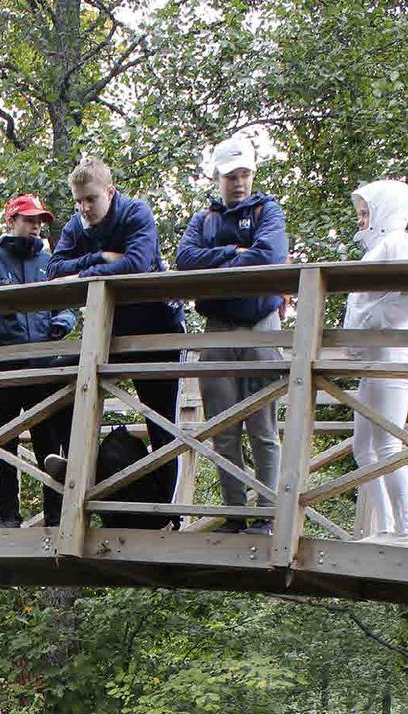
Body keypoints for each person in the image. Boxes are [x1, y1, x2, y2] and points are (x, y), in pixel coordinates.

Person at [46, 158, 185, 509]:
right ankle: (81, 466)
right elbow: (52, 270)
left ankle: (165, 512)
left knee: (159, 419)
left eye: (91, 199)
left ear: (110, 191)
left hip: (157, 329)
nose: (84, 208)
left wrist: (83, 269)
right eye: (78, 201)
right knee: (61, 378)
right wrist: (99, 259)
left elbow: (136, 264)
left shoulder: (137, 213)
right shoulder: (77, 226)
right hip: (109, 330)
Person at [176, 135, 288, 533]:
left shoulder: (268, 211)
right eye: (230, 176)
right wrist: (234, 254)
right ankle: (236, 514)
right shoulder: (203, 219)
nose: (238, 183)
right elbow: (184, 260)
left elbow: (269, 256)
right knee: (223, 430)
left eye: (244, 174)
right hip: (217, 330)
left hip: (261, 327)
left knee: (263, 428)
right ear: (217, 177)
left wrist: (221, 263)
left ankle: (266, 515)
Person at [0, 194, 76, 527]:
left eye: (39, 221)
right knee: (4, 445)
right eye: (29, 220)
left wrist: (64, 321)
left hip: (43, 366)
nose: (35, 226)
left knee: (48, 443)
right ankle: (7, 517)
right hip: (3, 366)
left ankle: (55, 516)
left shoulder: (49, 259)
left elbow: (67, 300)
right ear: (11, 221)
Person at [343, 179, 408, 547]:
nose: (362, 220)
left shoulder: (399, 243)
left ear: (384, 211)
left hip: (392, 357)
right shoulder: (379, 247)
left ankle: (405, 531)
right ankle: (384, 528)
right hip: (373, 359)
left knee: (387, 445)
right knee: (362, 446)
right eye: (361, 213)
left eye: (367, 212)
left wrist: (372, 320)